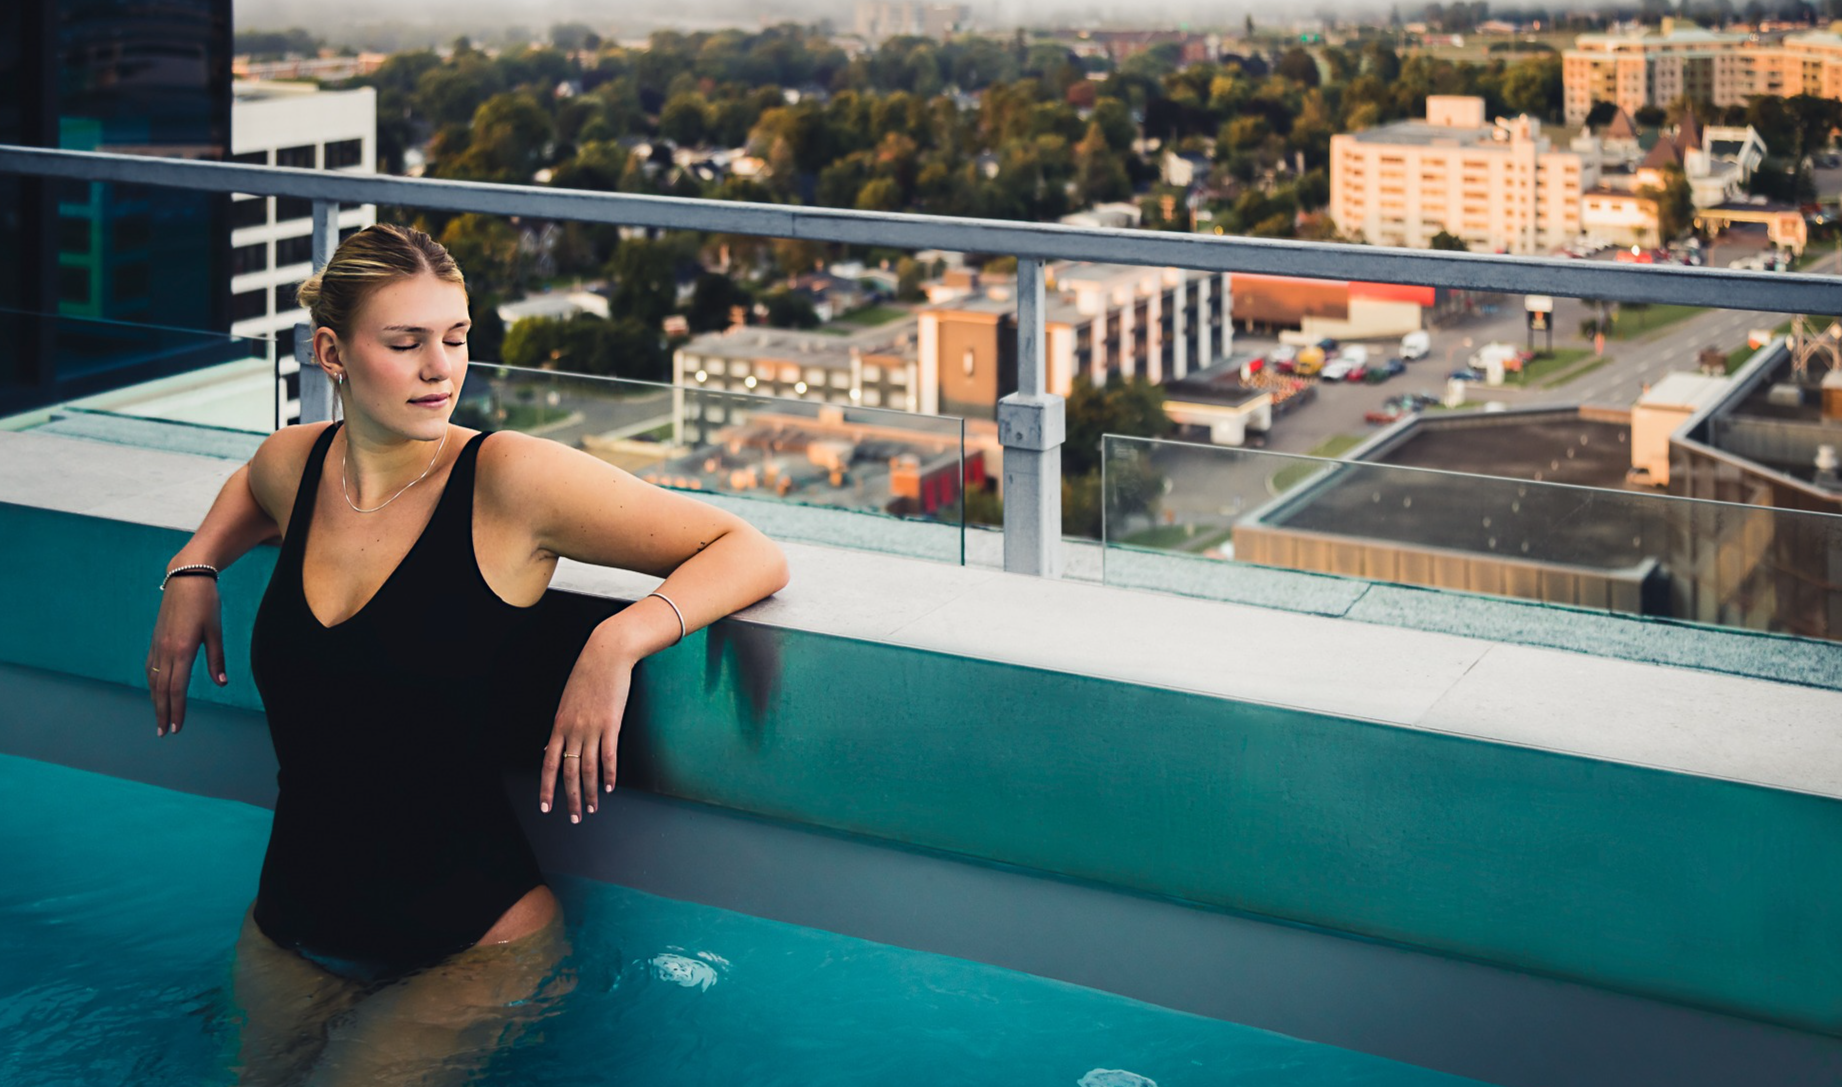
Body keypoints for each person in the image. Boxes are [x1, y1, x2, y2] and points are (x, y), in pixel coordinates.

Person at [144, 223, 789, 1084]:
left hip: (472, 945)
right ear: (331, 351)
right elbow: (246, 490)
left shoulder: (509, 482)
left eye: (455, 339)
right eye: (404, 343)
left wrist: (619, 639)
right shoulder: (296, 467)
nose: (440, 368)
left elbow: (746, 547)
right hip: (291, 926)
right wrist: (194, 566)